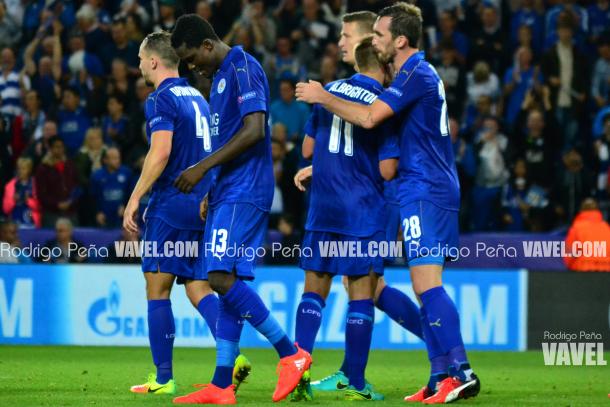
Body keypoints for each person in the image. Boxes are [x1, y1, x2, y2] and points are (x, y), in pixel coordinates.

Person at [296, 2, 480, 403]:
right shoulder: (409, 75)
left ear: (397, 40)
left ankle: (459, 369)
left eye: (375, 35)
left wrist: (324, 97)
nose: (366, 41)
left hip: (423, 188)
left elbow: (367, 120)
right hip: (420, 187)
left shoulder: (413, 73)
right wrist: (324, 168)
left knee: (419, 284)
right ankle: (438, 373)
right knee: (394, 285)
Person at [170, 14, 311, 404]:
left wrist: (202, 168)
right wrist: (211, 189)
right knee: (228, 279)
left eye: (192, 58)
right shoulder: (217, 81)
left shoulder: (244, 67)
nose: (192, 67)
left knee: (217, 276)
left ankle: (290, 353)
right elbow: (228, 138)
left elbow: (254, 130)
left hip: (247, 188)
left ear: (208, 45)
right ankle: (221, 383)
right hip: (227, 189)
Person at [294, 10, 425, 396]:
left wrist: (320, 167)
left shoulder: (333, 91)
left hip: (333, 204)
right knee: (365, 287)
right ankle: (357, 376)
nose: (341, 42)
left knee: (327, 286)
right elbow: (385, 166)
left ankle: (299, 373)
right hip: (363, 204)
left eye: (347, 35)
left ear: (371, 39)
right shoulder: (385, 99)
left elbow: (309, 148)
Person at [122, 31, 236, 397]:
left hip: (171, 205)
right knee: (197, 286)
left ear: (154, 61)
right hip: (203, 205)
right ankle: (232, 358)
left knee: (157, 288)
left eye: (141, 58)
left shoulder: (161, 99)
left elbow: (160, 152)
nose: (139, 65)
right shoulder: (198, 98)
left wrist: (135, 197)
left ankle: (164, 376)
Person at [564, 198, 610, 271]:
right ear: (597, 210)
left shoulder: (577, 227)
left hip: (583, 268)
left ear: (581, 210)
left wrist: (570, 267)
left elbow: (569, 253)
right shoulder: (607, 227)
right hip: (607, 269)